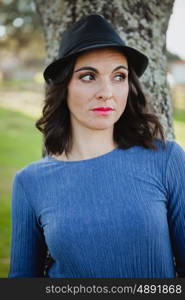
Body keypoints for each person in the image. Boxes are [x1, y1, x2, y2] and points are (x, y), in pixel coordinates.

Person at [8, 14, 185, 278]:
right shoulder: (30, 182)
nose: (107, 91)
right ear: (63, 87)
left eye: (119, 76)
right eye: (88, 76)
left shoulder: (167, 159)